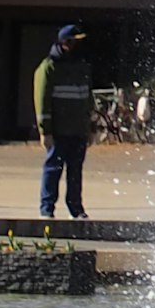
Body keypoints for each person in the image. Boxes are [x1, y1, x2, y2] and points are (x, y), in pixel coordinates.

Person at [34, 25, 96, 222]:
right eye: (72, 41)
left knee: (75, 171)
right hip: (59, 131)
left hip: (78, 130)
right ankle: (47, 209)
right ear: (63, 43)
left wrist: (91, 128)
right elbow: (42, 100)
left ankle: (76, 209)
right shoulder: (48, 67)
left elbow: (88, 99)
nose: (76, 45)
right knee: (53, 169)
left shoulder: (82, 67)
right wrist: (45, 131)